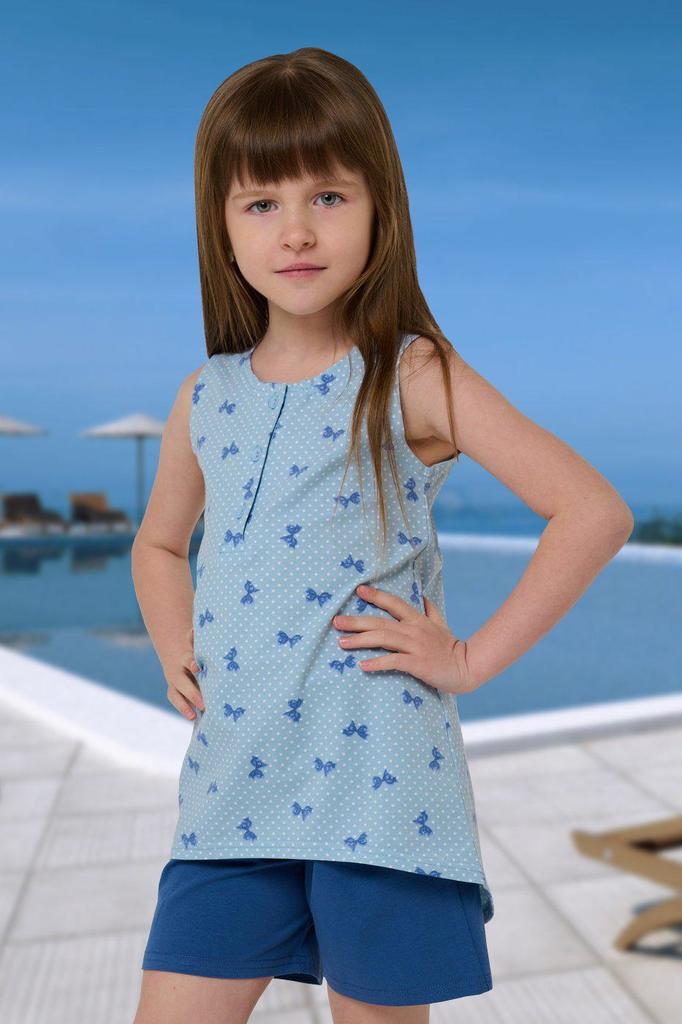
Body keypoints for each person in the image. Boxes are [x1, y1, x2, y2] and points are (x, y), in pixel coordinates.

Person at [131, 46, 634, 1024]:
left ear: (379, 211)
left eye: (328, 196)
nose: (296, 229)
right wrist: (172, 642)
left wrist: (470, 658)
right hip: (231, 792)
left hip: (381, 791)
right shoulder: (205, 397)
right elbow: (158, 546)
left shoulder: (411, 375)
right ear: (220, 227)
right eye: (261, 203)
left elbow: (591, 510)